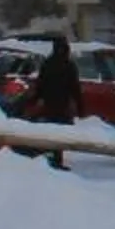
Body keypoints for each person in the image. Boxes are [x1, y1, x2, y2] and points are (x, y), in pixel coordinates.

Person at [30, 36, 84, 168]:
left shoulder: (47, 63)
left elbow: (40, 84)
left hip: (50, 103)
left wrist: (34, 99)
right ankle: (57, 159)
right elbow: (75, 87)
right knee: (60, 133)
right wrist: (80, 106)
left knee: (51, 131)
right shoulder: (69, 65)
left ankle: (51, 158)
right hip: (63, 104)